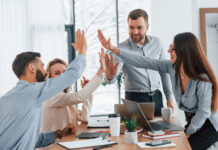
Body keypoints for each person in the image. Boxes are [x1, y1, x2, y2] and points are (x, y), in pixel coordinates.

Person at [98, 31, 218, 150]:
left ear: (184, 51)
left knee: (182, 146)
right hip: (194, 121)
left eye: (172, 48)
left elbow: (203, 112)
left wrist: (187, 133)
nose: (168, 51)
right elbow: (143, 61)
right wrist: (114, 49)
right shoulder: (172, 68)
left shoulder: (202, 79)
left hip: (210, 125)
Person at [0, 29, 87, 150]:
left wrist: (59, 133)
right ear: (32, 68)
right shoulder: (33, 91)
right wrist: (82, 52)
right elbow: (72, 74)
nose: (46, 72)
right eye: (41, 66)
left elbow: (31, 140)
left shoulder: (6, 99)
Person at [38, 48, 118, 150]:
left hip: (66, 143)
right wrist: (101, 70)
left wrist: (87, 92)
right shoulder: (51, 95)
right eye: (57, 73)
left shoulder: (64, 97)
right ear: (49, 77)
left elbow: (84, 117)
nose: (62, 76)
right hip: (52, 147)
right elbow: (79, 97)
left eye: (64, 72)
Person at [99, 9, 175, 116]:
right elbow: (111, 79)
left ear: (147, 27)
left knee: (159, 131)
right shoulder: (120, 49)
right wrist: (110, 77)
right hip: (134, 99)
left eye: (139, 27)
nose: (134, 32)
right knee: (136, 132)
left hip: (157, 97)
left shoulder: (157, 43)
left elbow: (164, 71)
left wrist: (169, 97)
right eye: (131, 27)